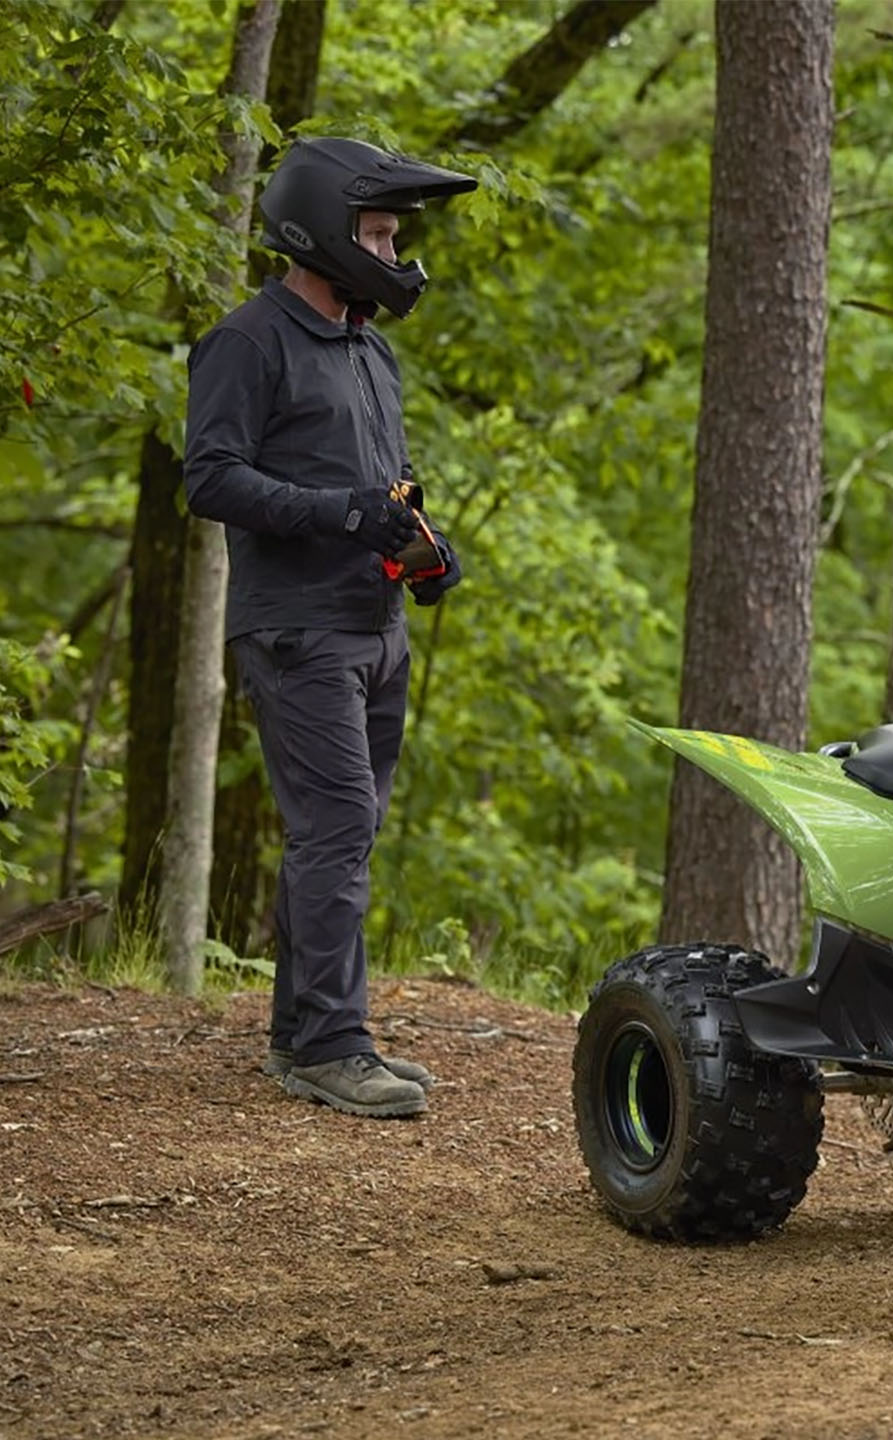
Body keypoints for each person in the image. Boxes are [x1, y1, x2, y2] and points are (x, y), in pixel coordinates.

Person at [183, 137, 477, 1119]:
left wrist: (420, 550)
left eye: (396, 237)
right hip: (297, 631)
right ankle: (331, 1044)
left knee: (341, 834)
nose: (396, 256)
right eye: (381, 236)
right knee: (338, 824)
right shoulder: (248, 341)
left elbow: (377, 491)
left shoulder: (368, 348)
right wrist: (346, 513)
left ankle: (297, 1032)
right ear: (324, 234)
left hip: (373, 621)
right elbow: (212, 479)